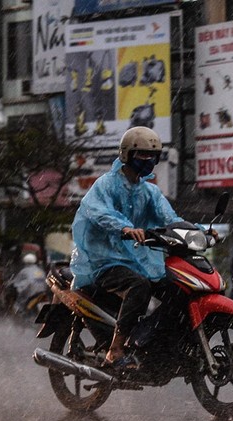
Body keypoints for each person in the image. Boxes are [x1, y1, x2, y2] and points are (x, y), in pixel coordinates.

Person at [70, 126, 184, 370]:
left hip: (135, 260)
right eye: (142, 155)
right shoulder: (106, 184)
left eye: (153, 156)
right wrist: (124, 228)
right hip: (102, 260)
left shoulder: (149, 191)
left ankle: (149, 341)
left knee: (177, 289)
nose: (149, 161)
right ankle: (115, 350)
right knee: (139, 286)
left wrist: (199, 232)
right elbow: (98, 211)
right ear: (127, 155)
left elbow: (170, 218)